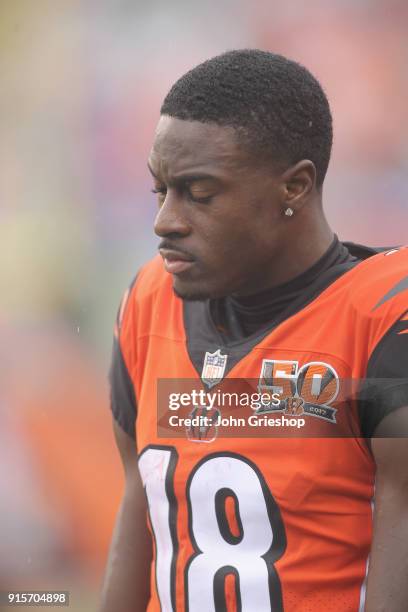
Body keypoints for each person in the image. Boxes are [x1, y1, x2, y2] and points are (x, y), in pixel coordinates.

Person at [100, 50, 408, 612]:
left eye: (200, 193)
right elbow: (140, 519)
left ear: (293, 187)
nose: (165, 220)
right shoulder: (150, 303)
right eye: (160, 190)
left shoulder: (383, 319)